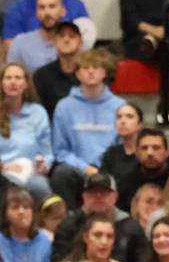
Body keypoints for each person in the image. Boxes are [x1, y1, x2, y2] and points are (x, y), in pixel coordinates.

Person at [50, 49, 123, 209]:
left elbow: (123, 145)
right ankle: (67, 221)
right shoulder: (64, 106)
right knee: (61, 174)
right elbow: (60, 150)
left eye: (96, 67)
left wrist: (104, 170)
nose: (90, 72)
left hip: (110, 168)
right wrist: (86, 168)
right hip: (78, 170)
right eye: (85, 67)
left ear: (104, 72)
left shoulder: (119, 106)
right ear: (77, 74)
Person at [0, 62, 54, 199]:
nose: (13, 82)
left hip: (31, 172)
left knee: (40, 187)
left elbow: (47, 151)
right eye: (8, 78)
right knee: (10, 187)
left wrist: (44, 165)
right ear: (1, 83)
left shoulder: (38, 112)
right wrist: (1, 166)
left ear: (26, 84)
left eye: (18, 78)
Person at [51, 171, 147, 262]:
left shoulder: (131, 227)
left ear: (115, 196)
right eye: (92, 192)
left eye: (104, 192)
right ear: (84, 196)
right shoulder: (69, 225)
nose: (98, 196)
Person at [116, 126, 169, 211]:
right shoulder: (125, 182)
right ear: (136, 153)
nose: (150, 153)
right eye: (144, 148)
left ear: (167, 152)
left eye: (156, 148)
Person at [31, 19, 83, 116]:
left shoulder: (89, 72)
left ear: (80, 42)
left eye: (72, 36)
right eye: (61, 36)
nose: (66, 40)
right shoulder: (42, 76)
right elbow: (38, 112)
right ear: (55, 41)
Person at [7, 0, 67, 75]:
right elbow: (11, 76)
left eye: (52, 6)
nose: (47, 12)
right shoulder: (20, 43)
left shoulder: (73, 42)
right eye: (42, 8)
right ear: (36, 13)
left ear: (63, 11)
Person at [99, 101, 143, 203]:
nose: (123, 121)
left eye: (129, 117)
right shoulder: (111, 153)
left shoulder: (147, 152)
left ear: (140, 124)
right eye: (119, 117)